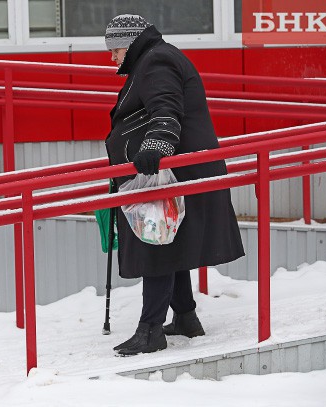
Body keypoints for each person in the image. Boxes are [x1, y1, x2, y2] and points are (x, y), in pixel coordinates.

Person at [104, 14, 245, 356]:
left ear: (131, 42)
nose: (112, 58)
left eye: (116, 49)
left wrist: (157, 146)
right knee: (170, 238)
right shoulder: (154, 57)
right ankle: (185, 317)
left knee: (157, 241)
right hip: (181, 171)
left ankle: (150, 330)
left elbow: (166, 107)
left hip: (176, 171)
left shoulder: (158, 60)